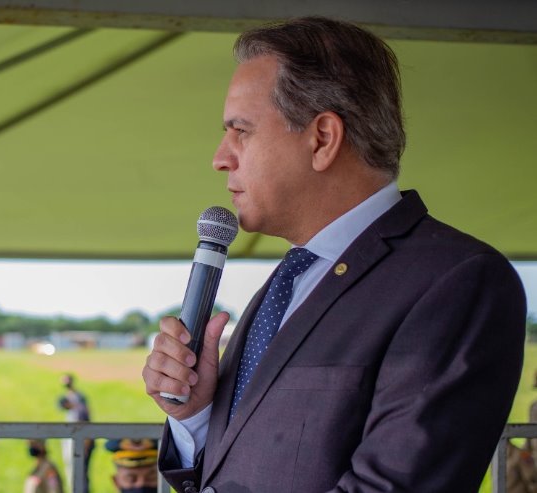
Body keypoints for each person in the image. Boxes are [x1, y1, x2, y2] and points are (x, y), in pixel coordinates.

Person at [142, 16, 526, 493]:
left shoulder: (460, 281)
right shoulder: (294, 276)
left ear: (322, 138)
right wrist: (196, 414)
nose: (220, 157)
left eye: (241, 130)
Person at [57, 373, 92, 493]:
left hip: (81, 439)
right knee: (72, 469)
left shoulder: (79, 399)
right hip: (73, 437)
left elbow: (85, 419)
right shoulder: (72, 397)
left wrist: (86, 442)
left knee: (79, 471)